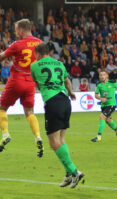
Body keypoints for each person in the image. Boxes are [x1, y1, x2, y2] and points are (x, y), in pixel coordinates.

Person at [0, 19, 44, 156]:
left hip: (17, 80)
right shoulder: (40, 43)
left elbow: (0, 57)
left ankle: (5, 134)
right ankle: (38, 136)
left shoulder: (18, 44)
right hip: (30, 82)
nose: (15, 33)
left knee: (2, 107)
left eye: (16, 30)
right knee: (29, 112)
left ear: (21, 30)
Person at [31, 43, 84, 189]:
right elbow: (66, 80)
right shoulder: (60, 64)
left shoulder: (34, 65)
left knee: (54, 143)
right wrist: (72, 92)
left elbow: (37, 83)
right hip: (66, 101)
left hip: (53, 102)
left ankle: (74, 171)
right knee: (61, 139)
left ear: (38, 54)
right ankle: (68, 174)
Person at [91, 70, 117, 142]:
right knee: (107, 120)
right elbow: (96, 95)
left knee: (102, 116)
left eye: (103, 75)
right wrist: (101, 98)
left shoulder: (112, 82)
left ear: (107, 76)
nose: (102, 76)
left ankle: (99, 136)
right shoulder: (98, 84)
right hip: (103, 105)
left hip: (111, 104)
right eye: (100, 75)